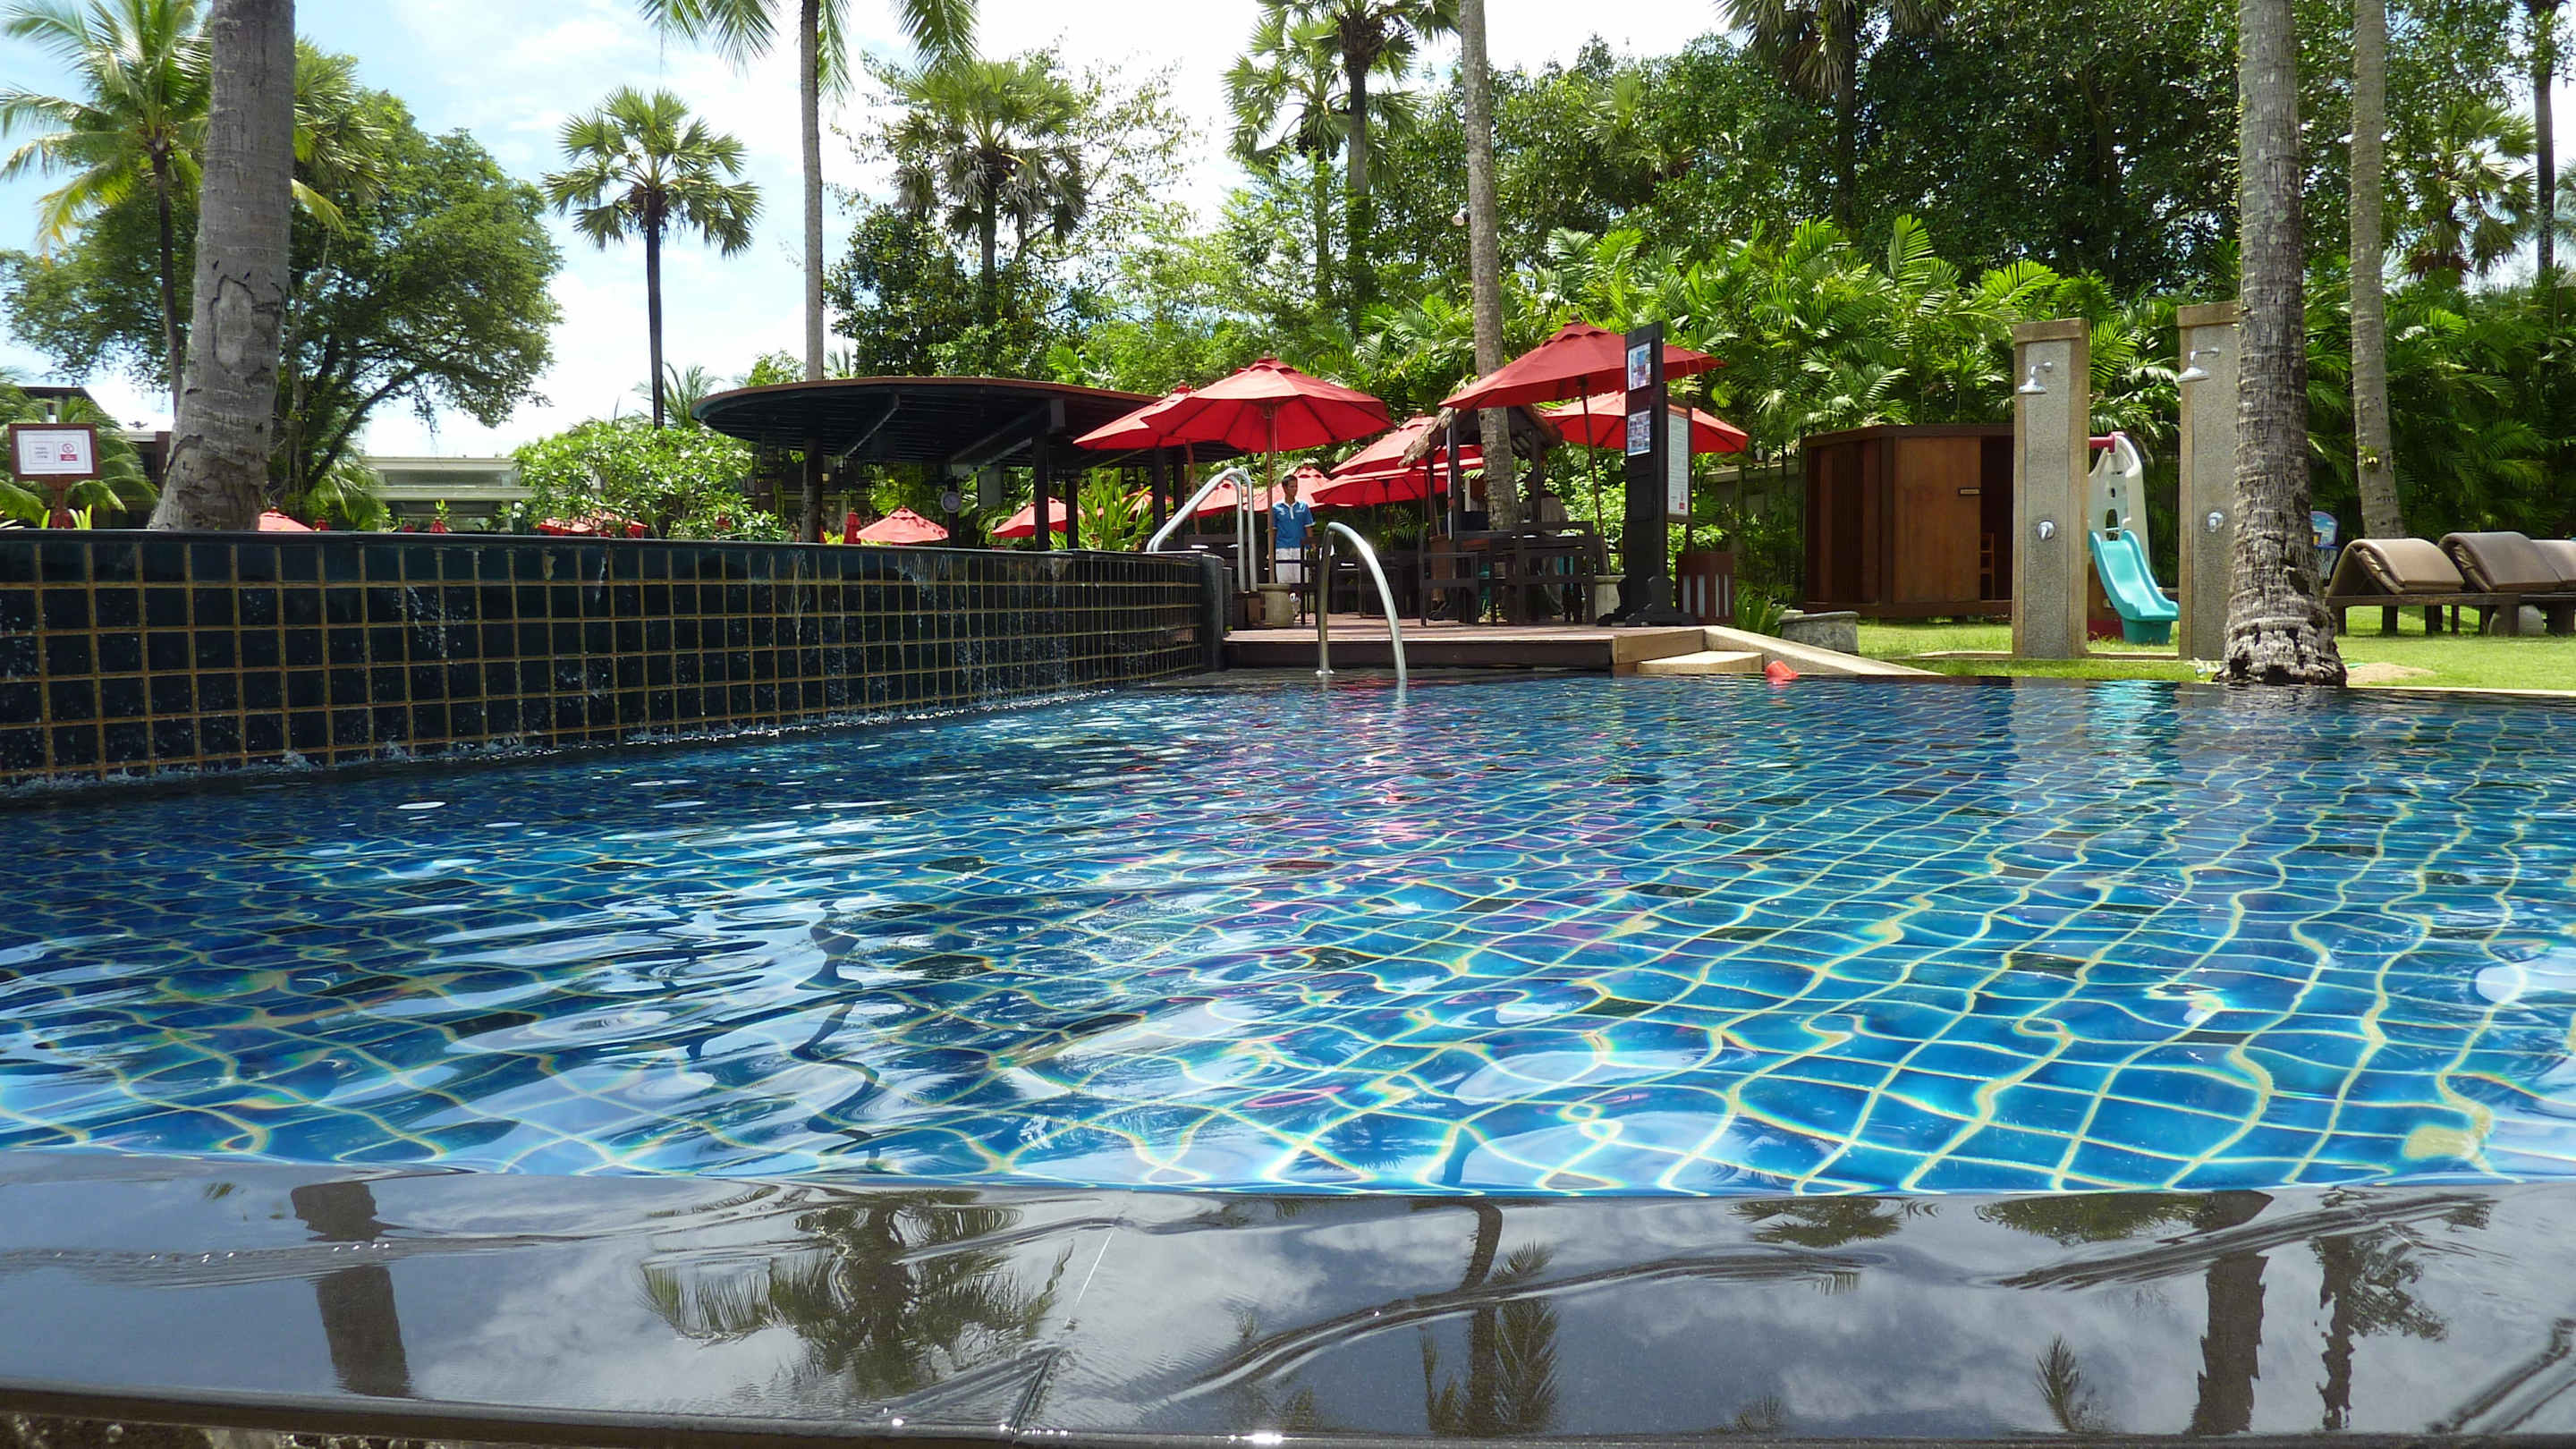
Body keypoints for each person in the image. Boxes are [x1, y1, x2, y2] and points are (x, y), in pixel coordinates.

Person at [1270, 474, 1316, 621]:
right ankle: (1289, 608)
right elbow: (1273, 530)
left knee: (1301, 579)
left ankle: (1297, 606)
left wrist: (1312, 545)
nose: (1295, 489)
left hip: (1300, 547)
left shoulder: (1304, 506)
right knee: (1284, 580)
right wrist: (1271, 550)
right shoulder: (1276, 508)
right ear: (1284, 488)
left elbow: (1308, 527)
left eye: (1296, 486)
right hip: (1282, 547)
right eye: (1292, 486)